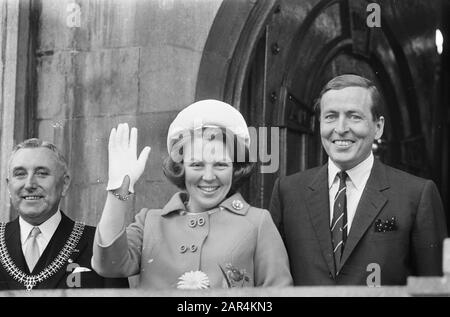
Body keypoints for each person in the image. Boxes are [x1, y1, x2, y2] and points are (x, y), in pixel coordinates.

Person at [92, 99, 293, 289]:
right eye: (197, 164)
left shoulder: (258, 223)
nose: (208, 176)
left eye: (221, 164)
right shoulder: (149, 222)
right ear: (181, 168)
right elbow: (108, 265)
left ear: (236, 168)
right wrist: (118, 190)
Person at [269, 74, 448, 286]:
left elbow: (434, 288)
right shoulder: (287, 191)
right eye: (330, 116)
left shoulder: (417, 195)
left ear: (378, 127)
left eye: (354, 116)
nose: (341, 128)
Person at [0, 139, 129, 291]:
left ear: (65, 183)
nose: (29, 184)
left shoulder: (99, 246)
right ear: (9, 185)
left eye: (42, 174)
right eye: (20, 174)